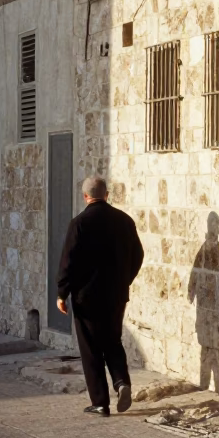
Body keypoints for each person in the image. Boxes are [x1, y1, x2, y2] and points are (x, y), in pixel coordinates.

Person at [56, 176, 144, 416]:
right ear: (107, 194)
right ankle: (121, 382)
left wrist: (62, 292)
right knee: (113, 340)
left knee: (91, 348)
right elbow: (138, 255)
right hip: (116, 294)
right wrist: (124, 281)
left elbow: (68, 261)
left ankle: (100, 402)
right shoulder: (125, 221)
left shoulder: (79, 223)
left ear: (85, 196)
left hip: (86, 297)